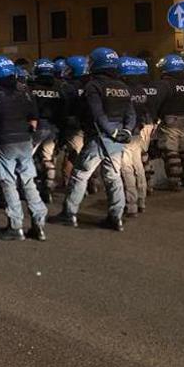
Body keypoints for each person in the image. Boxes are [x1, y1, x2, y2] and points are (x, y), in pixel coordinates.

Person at [60, 47, 135, 230]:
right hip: (117, 140)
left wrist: (110, 131)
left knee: (80, 175)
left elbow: (97, 114)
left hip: (99, 137)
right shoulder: (123, 86)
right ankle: (116, 217)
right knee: (113, 177)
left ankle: (70, 213)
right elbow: (131, 114)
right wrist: (126, 131)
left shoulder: (93, 86)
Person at [0, 56, 47, 241]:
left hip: (3, 141)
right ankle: (39, 224)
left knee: (8, 183)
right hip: (24, 140)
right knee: (29, 182)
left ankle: (16, 225)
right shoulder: (25, 91)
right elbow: (34, 119)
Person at [29, 58, 66, 203]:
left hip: (36, 127)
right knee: (48, 158)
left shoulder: (31, 88)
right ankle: (48, 188)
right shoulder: (59, 88)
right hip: (52, 128)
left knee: (27, 158)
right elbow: (63, 110)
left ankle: (29, 188)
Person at [118, 57, 150, 216]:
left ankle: (131, 205)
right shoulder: (141, 90)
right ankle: (142, 200)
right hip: (137, 133)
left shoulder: (124, 90)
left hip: (126, 133)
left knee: (127, 169)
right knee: (139, 167)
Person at [154, 54, 184, 190]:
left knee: (171, 152)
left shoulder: (165, 84)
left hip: (170, 121)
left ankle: (175, 181)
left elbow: (156, 102)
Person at [60, 56, 90, 186]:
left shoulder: (68, 87)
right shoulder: (90, 84)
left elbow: (64, 106)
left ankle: (69, 181)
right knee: (86, 154)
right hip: (88, 125)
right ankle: (90, 183)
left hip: (74, 125)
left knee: (72, 154)